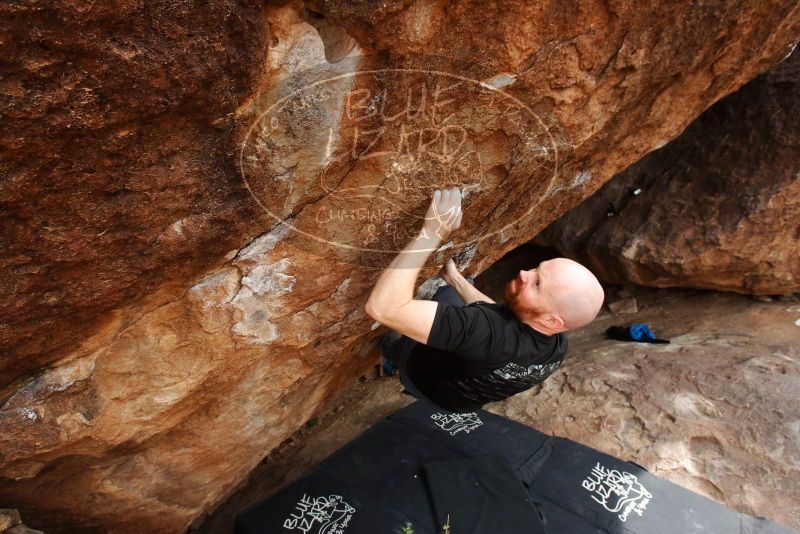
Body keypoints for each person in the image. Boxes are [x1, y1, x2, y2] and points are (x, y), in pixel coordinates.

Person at [365, 188, 604, 413]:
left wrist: (432, 232)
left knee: (417, 316)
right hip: (462, 399)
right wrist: (455, 280)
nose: (523, 274)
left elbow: (383, 308)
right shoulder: (556, 344)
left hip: (423, 379)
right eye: (536, 269)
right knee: (449, 293)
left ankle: (393, 353)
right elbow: (497, 319)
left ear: (552, 321)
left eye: (537, 283)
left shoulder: (483, 331)